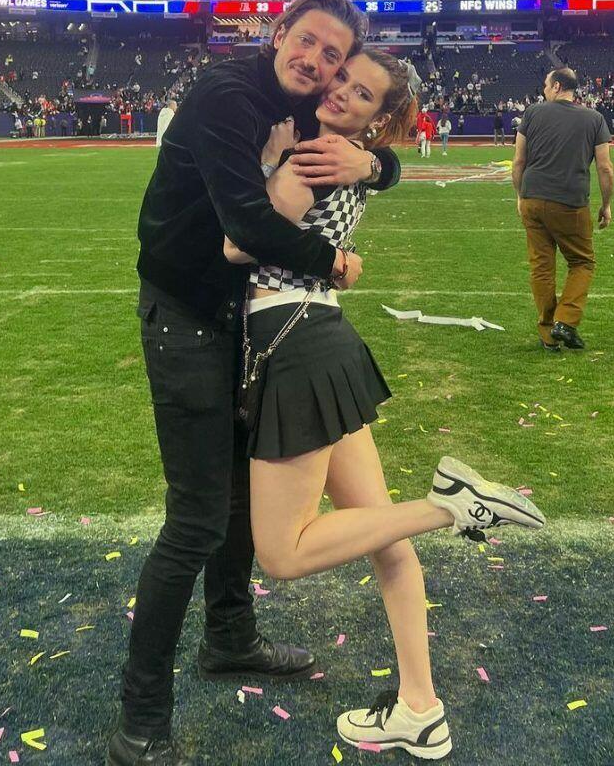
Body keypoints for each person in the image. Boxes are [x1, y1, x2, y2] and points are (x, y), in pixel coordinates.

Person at [109, 0, 404, 766]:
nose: (316, 62)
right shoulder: (228, 94)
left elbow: (365, 146)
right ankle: (140, 718)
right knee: (197, 518)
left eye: (332, 55)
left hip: (238, 319)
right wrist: (334, 263)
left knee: (239, 494)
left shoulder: (303, 104)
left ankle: (230, 638)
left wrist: (375, 164)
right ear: (279, 33)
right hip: (185, 311)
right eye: (307, 42)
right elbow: (245, 227)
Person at [224, 50, 544, 759]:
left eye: (361, 93)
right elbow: (369, 180)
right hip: (323, 336)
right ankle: (420, 709)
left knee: (281, 552)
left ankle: (450, 507)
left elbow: (234, 247)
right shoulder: (351, 157)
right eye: (342, 78)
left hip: (292, 341)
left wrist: (269, 164)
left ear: (376, 117)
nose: (340, 91)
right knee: (386, 543)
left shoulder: (312, 157)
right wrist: (363, 168)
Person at [511, 68, 614, 352]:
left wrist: (520, 195)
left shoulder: (532, 113)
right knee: (582, 262)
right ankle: (565, 321)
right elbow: (605, 167)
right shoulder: (594, 118)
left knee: (541, 267)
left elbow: (518, 161)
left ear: (556, 86)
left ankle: (547, 333)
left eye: (546, 85)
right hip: (570, 201)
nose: (544, 89)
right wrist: (606, 204)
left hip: (533, 197)